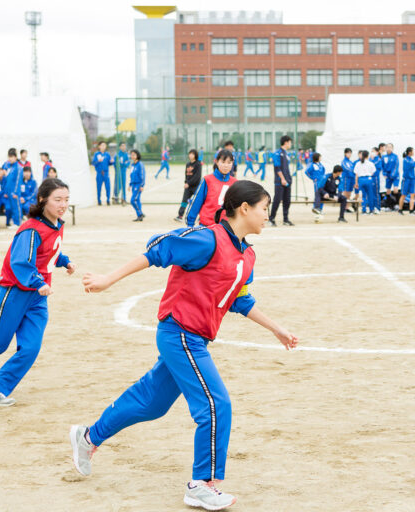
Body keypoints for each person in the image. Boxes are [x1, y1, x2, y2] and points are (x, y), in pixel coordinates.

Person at [71, 181, 298, 510]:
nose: (268, 214)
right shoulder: (207, 239)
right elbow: (158, 249)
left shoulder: (247, 255)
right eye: (265, 207)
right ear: (244, 208)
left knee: (152, 403)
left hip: (194, 339)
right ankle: (202, 483)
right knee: (216, 405)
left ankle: (89, 436)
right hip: (179, 333)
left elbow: (239, 299)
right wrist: (107, 279)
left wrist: (277, 329)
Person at [0, 178, 75, 406]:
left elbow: (49, 253)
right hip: (14, 293)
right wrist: (38, 282)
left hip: (38, 299)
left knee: (30, 348)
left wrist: (65, 262)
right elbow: (21, 262)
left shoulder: (58, 224)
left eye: (66, 199)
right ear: (42, 200)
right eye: (57, 199)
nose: (63, 204)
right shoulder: (31, 229)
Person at [186, 150, 237, 227]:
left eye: (229, 162)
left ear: (232, 163)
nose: (226, 165)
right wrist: (190, 224)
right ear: (216, 162)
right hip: (207, 226)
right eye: (223, 162)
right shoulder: (207, 180)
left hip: (226, 228)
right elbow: (196, 202)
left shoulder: (235, 183)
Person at [269, 135, 294, 227]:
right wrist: (282, 179)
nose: (291, 144)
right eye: (290, 142)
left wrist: (288, 179)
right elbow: (277, 168)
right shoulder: (277, 153)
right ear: (286, 142)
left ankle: (286, 219)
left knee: (287, 200)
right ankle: (271, 218)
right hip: (280, 181)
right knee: (277, 200)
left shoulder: (286, 153)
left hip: (287, 180)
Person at [176, 149, 203, 222]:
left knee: (198, 201)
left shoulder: (198, 164)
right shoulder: (188, 164)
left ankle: (202, 216)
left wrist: (189, 183)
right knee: (184, 201)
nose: (190, 155)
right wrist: (186, 182)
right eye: (190, 154)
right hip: (188, 186)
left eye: (192, 154)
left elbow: (197, 177)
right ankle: (180, 215)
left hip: (195, 186)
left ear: (195, 155)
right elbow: (186, 175)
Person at [397, 147, 415, 214]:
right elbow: (412, 165)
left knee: (412, 194)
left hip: (412, 179)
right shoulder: (405, 160)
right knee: (403, 195)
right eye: (413, 151)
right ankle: (400, 209)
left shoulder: (411, 159)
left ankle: (411, 210)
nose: (414, 152)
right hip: (406, 179)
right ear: (409, 152)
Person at [2, 148, 22, 227]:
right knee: (12, 207)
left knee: (16, 207)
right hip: (9, 191)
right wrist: (7, 192)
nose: (10, 159)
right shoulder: (10, 167)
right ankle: (15, 222)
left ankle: (18, 223)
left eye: (11, 157)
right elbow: (8, 180)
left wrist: (16, 192)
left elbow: (18, 181)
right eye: (9, 157)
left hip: (14, 192)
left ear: (15, 157)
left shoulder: (18, 167)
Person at [354, 150, 377, 215]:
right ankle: (371, 210)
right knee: (370, 195)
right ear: (368, 156)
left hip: (360, 180)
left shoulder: (358, 163)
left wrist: (356, 183)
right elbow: (373, 172)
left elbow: (356, 175)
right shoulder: (371, 163)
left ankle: (364, 210)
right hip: (368, 179)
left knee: (362, 195)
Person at [129, 149, 145, 222]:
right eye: (131, 154)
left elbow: (142, 175)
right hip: (133, 185)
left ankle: (140, 213)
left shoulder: (140, 164)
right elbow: (131, 175)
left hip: (138, 184)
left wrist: (142, 185)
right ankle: (139, 216)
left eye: (134, 154)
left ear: (137, 155)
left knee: (133, 200)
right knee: (137, 200)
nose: (132, 156)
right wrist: (130, 184)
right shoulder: (132, 165)